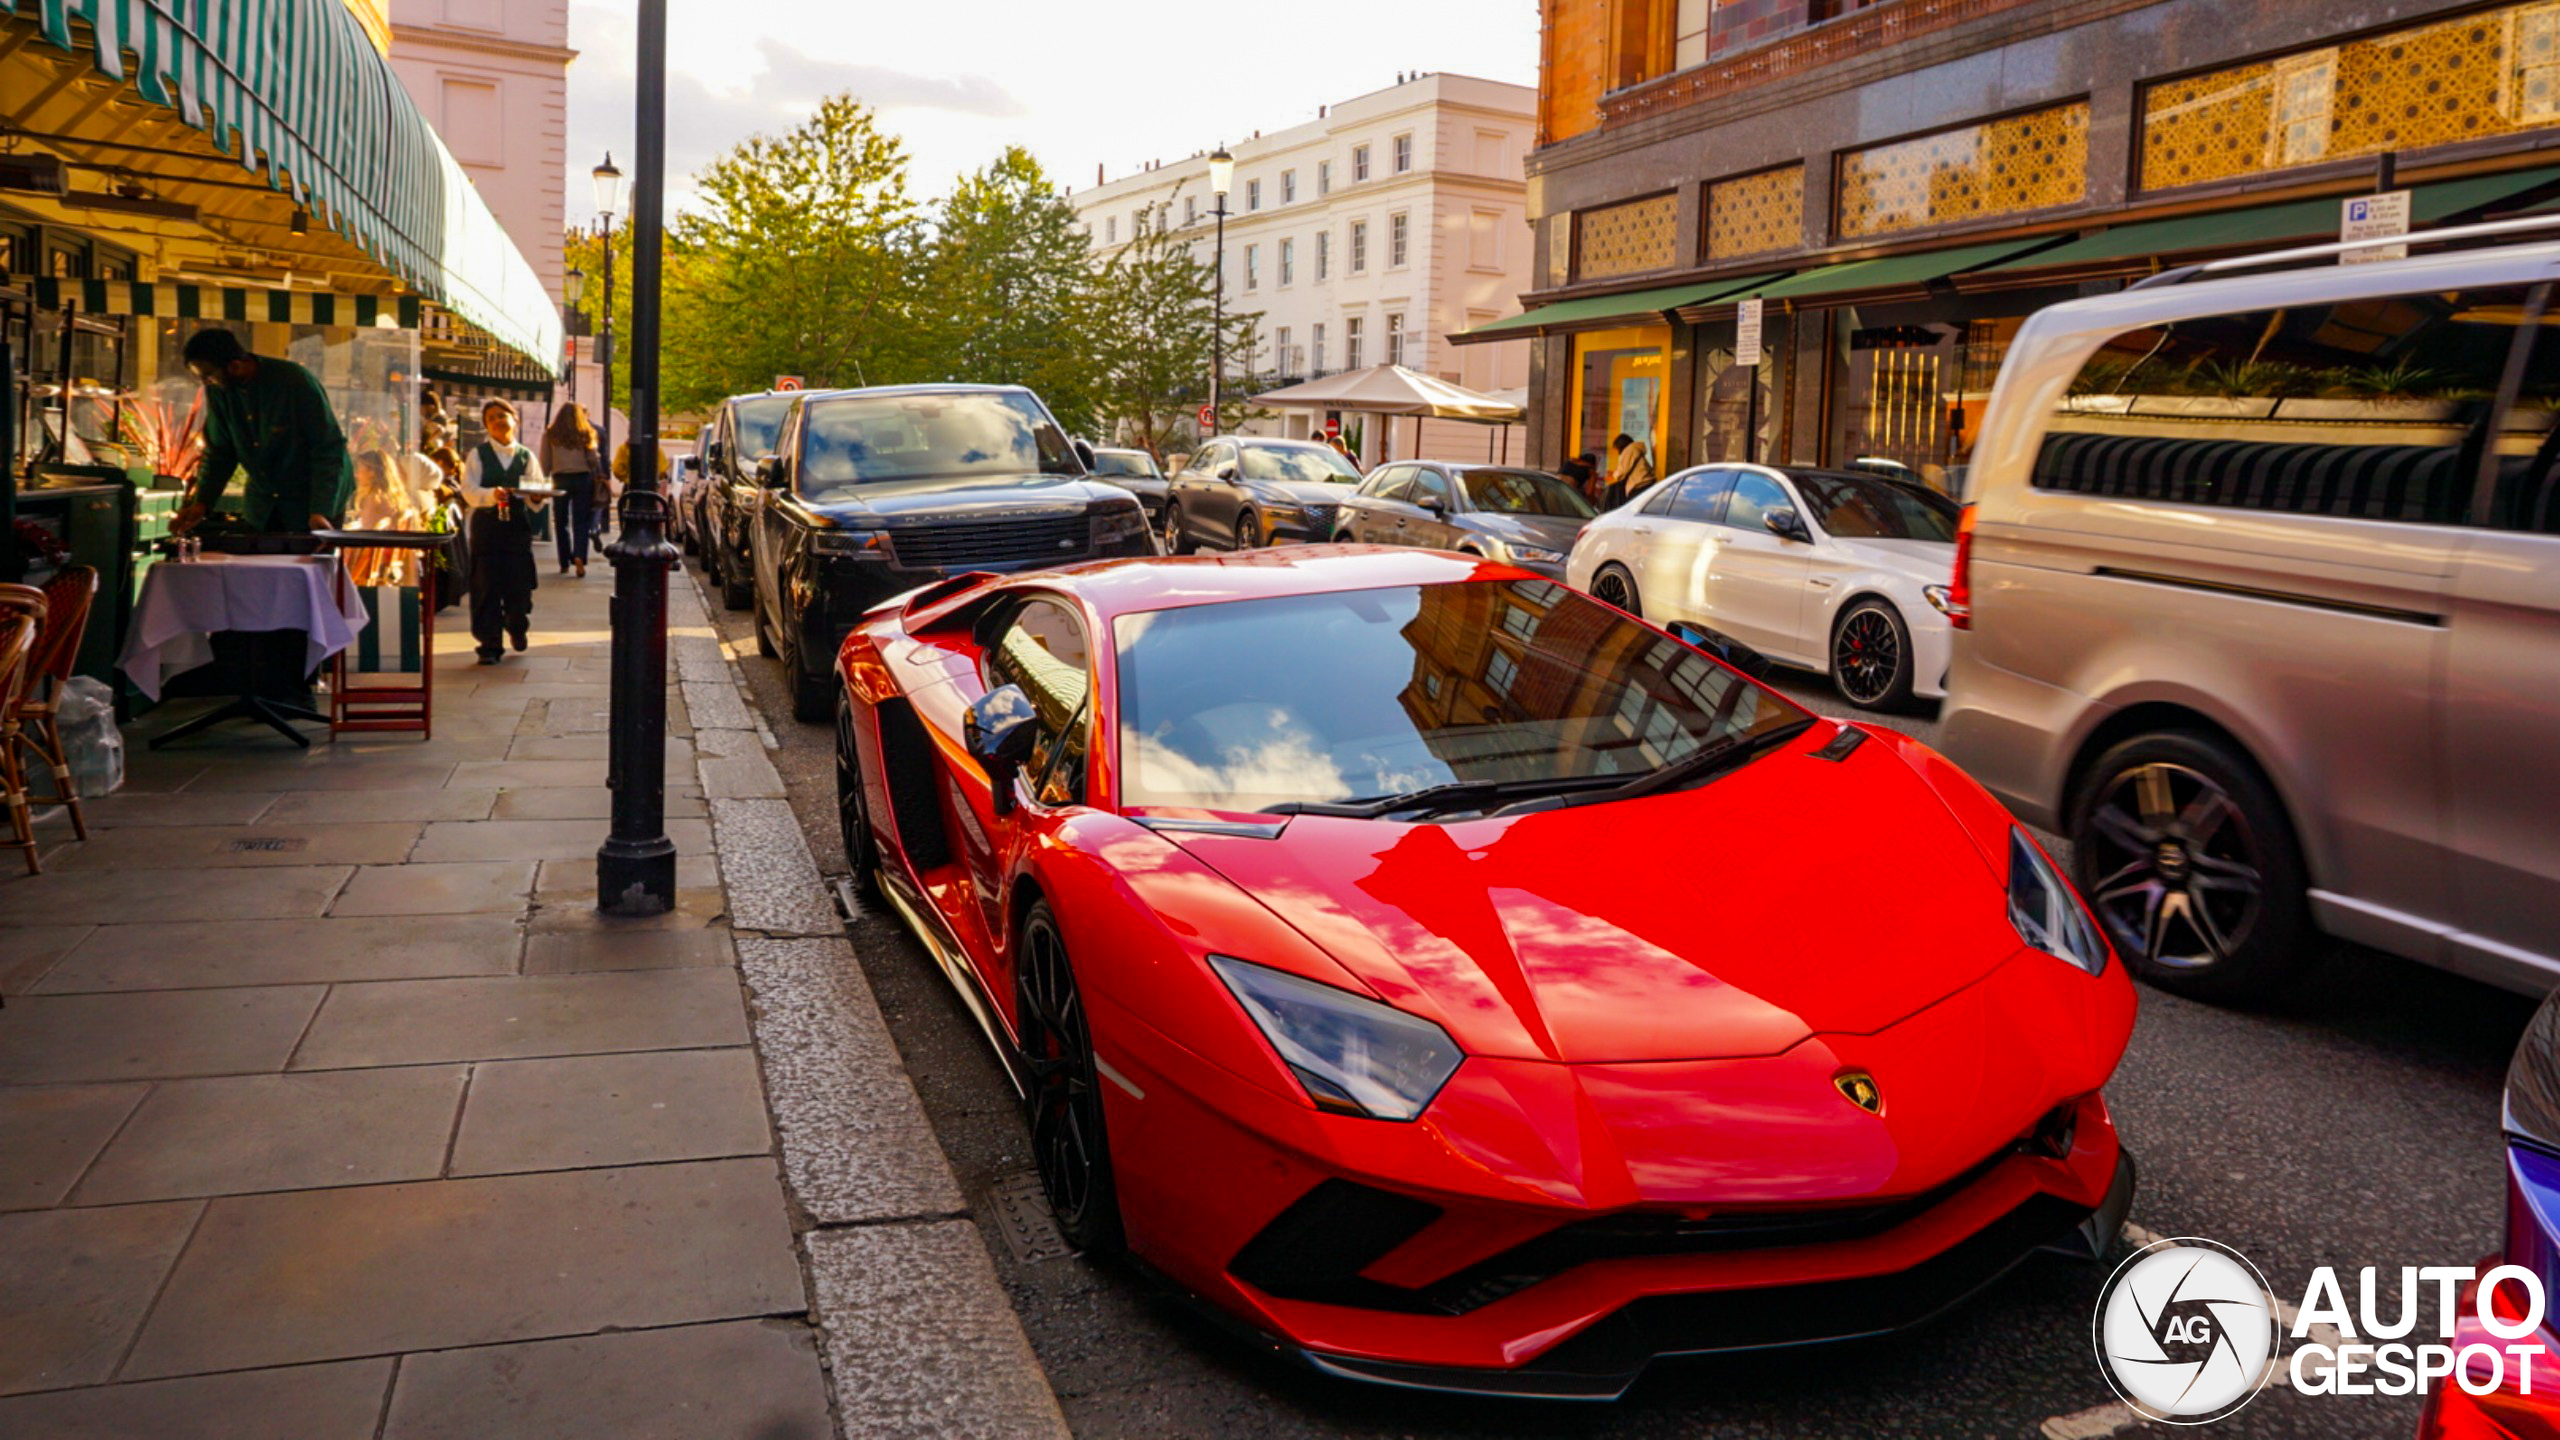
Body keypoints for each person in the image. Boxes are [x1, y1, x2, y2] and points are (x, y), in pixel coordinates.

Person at [173, 328, 354, 535]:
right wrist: (201, 504)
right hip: (264, 502)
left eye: (208, 376)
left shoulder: (294, 381)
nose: (206, 383)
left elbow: (328, 448)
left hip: (312, 497)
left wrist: (321, 510)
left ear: (235, 366)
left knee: (307, 554)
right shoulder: (218, 390)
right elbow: (219, 452)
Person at [460, 400, 550, 665]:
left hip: (516, 528)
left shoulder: (526, 456)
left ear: (514, 420)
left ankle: (516, 624)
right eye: (491, 418)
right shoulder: (478, 455)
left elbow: (537, 490)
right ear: (486, 426)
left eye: (502, 415)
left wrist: (536, 497)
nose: (498, 421)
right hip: (487, 528)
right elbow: (468, 490)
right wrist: (491, 494)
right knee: (485, 586)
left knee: (518, 583)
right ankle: (489, 644)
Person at [542, 404, 603, 578]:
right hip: (582, 479)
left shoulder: (550, 434)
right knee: (581, 521)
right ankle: (579, 556)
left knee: (561, 522)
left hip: (560, 479)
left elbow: (545, 461)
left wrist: (545, 477)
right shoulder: (586, 433)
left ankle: (564, 561)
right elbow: (593, 459)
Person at [1604, 433, 1655, 509]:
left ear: (1621, 445)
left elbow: (1622, 472)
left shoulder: (1630, 449)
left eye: (1617, 449)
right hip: (1644, 485)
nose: (1619, 453)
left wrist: (1614, 474)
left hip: (1640, 486)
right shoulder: (1634, 449)